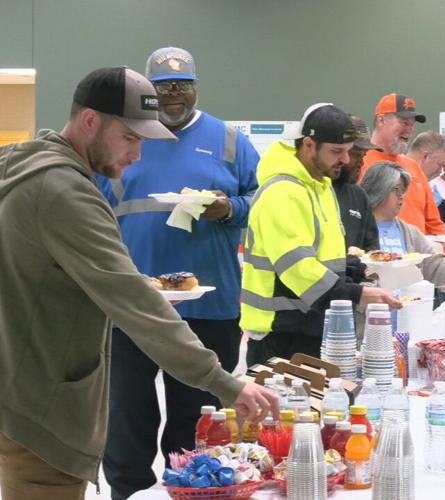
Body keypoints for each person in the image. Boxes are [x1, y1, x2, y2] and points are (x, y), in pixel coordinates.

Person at [0, 66, 276, 500]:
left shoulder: (34, 169)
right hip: (41, 410)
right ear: (90, 121)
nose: (137, 155)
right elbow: (132, 304)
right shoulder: (63, 191)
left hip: (26, 392)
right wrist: (224, 382)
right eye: (130, 138)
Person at [92, 48, 260, 498]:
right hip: (132, 307)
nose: (174, 94)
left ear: (196, 87)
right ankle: (128, 492)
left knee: (199, 418)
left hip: (211, 303)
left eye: (183, 84)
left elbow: (259, 203)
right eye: (164, 86)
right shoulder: (123, 138)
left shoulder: (229, 140)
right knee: (127, 415)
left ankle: (195, 491)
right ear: (148, 91)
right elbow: (90, 208)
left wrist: (230, 208)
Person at [241, 103, 401, 365]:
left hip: (311, 327)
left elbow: (320, 257)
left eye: (348, 152)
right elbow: (300, 271)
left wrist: (351, 271)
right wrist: (358, 294)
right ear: (308, 145)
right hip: (280, 335)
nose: (346, 160)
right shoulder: (281, 193)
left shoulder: (320, 185)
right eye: (336, 151)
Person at [360, 161, 445, 286]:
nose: (401, 195)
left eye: (403, 190)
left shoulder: (410, 232)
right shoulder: (355, 228)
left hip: (407, 312)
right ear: (378, 190)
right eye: (396, 189)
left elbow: (437, 267)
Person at [360, 93, 445, 235]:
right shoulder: (360, 162)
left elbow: (433, 222)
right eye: (404, 123)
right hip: (378, 254)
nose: (410, 130)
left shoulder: (413, 167)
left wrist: (442, 253)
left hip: (419, 254)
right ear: (381, 120)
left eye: (412, 125)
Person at [334, 115, 381, 251]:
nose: (361, 162)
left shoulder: (359, 196)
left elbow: (372, 249)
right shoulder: (312, 190)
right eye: (356, 154)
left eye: (364, 155)